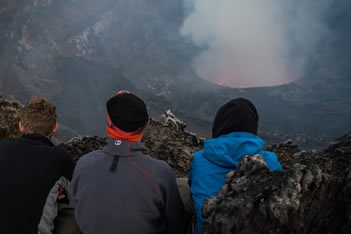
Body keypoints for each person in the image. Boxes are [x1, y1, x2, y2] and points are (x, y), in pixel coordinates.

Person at [72, 91, 185, 234]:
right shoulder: (160, 173)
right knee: (184, 188)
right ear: (144, 126)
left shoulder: (84, 165)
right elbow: (176, 225)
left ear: (109, 124)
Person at [189, 98, 283, 233]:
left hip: (207, 229)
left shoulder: (199, 159)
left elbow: (193, 183)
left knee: (183, 188)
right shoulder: (270, 161)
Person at [0, 97, 75, 234]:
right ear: (54, 128)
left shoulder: (2, 147)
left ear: (20, 125)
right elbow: (78, 198)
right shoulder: (60, 158)